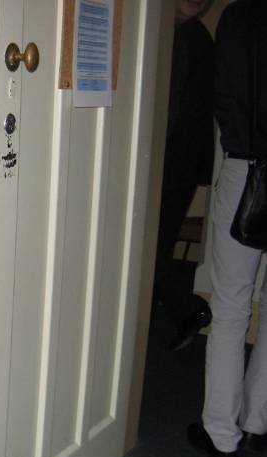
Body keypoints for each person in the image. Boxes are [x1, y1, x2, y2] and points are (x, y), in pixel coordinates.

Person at [187, 0, 267, 457]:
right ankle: (258, 423)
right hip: (250, 162)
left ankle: (223, 434)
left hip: (249, 167)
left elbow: (229, 97)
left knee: (233, 305)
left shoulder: (242, 16)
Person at [153, 0, 215, 352]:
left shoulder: (187, 41)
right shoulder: (193, 39)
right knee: (155, 250)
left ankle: (189, 310)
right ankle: (183, 312)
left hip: (171, 165)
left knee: (150, 253)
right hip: (179, 165)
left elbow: (175, 112)